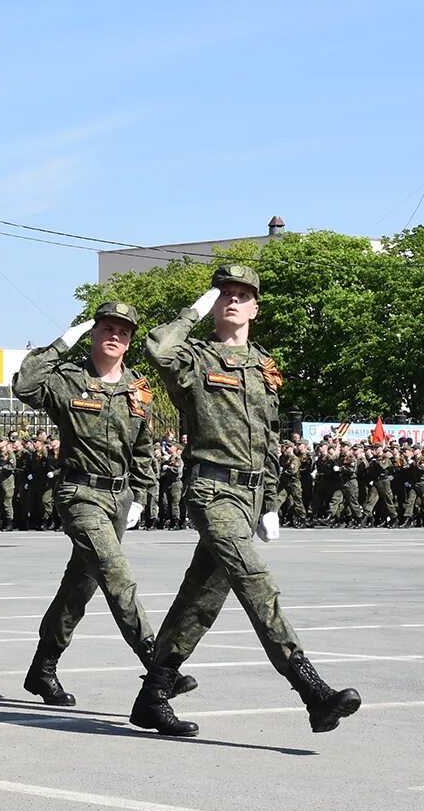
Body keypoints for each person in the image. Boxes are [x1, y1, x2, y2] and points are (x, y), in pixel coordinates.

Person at [139, 264, 360, 736]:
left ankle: (152, 696)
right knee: (255, 581)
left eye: (242, 295)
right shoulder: (196, 357)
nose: (233, 301)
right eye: (225, 295)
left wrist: (272, 500)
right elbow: (158, 347)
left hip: (251, 492)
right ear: (214, 306)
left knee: (201, 598)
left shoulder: (263, 364)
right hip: (212, 488)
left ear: (255, 307)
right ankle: (312, 691)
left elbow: (268, 437)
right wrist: (194, 308)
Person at [13, 301, 195, 709]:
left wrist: (142, 497)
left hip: (119, 498)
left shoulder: (137, 387)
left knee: (80, 586)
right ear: (93, 333)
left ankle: (42, 668)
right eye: (107, 328)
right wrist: (62, 342)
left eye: (124, 332)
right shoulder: (69, 381)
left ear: (130, 341)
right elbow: (25, 386)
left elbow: (145, 447)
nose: (116, 335)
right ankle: (157, 662)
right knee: (116, 575)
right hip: (79, 494)